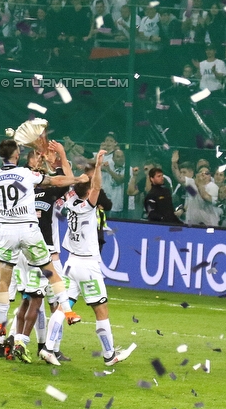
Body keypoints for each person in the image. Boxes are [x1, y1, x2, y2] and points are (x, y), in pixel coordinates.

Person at [0, 138, 86, 367]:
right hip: (29, 230)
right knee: (50, 271)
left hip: (7, 232)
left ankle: (0, 325)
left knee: (4, 280)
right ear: (16, 154)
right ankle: (68, 311)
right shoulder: (25, 175)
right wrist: (77, 179)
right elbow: (56, 180)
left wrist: (4, 217)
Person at [61, 150, 134, 367]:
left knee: (63, 307)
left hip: (70, 263)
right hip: (88, 265)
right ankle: (109, 354)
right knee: (101, 310)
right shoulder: (87, 206)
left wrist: (63, 155)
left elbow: (69, 178)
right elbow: (97, 187)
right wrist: (100, 166)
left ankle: (50, 348)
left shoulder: (69, 200)